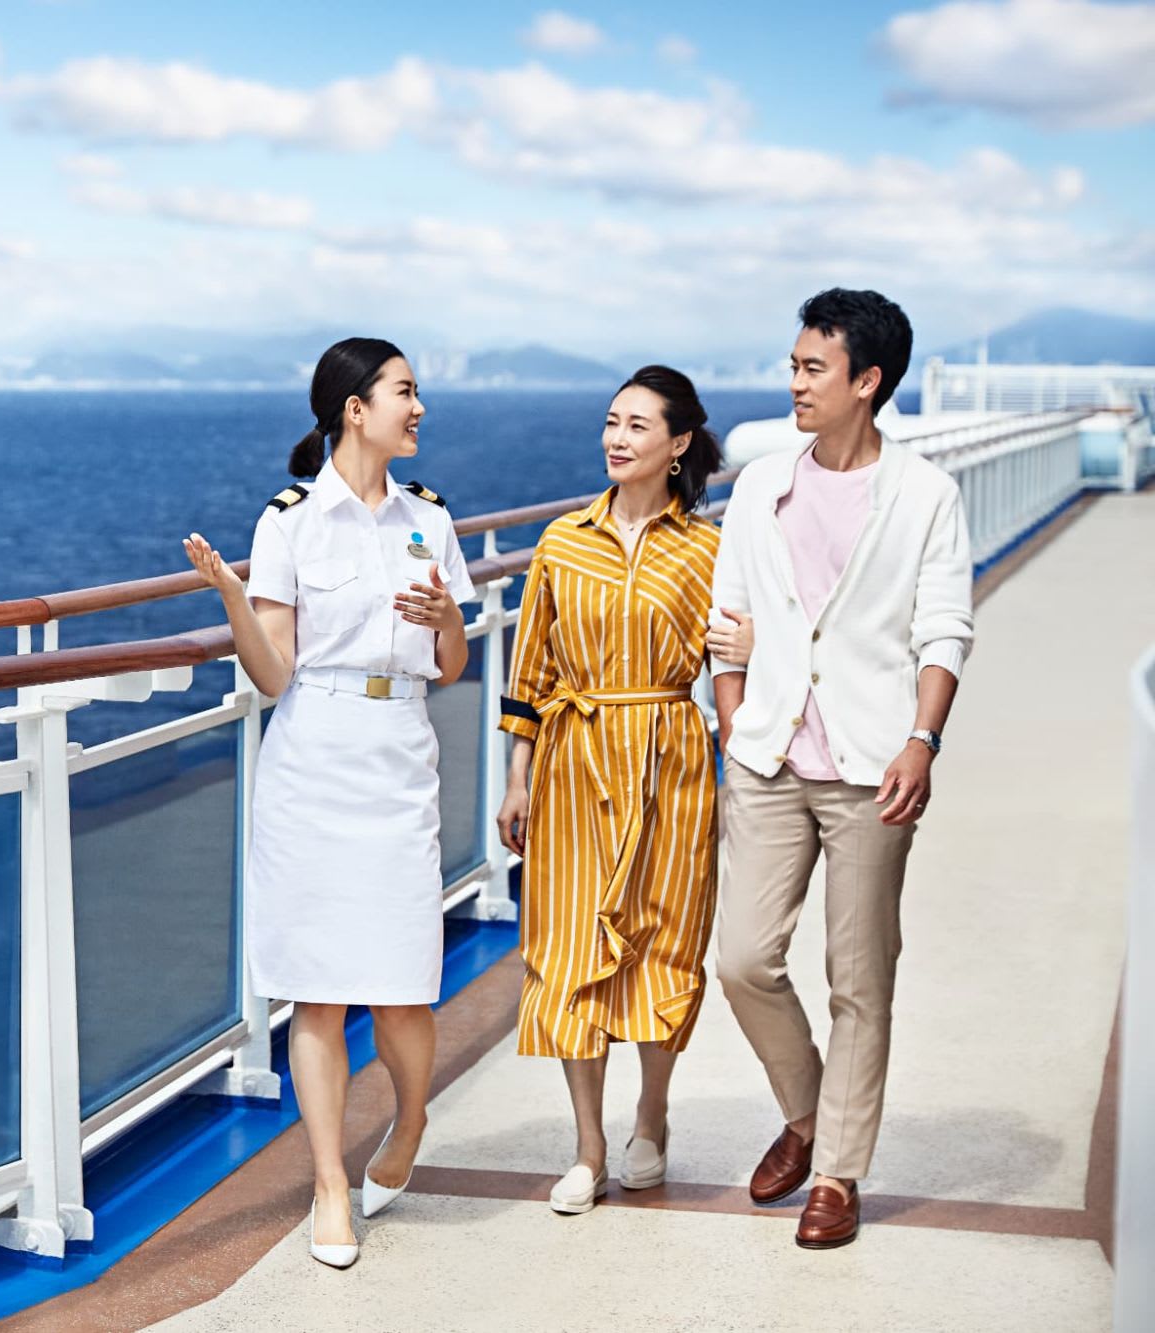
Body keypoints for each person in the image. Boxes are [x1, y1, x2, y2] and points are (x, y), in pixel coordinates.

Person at [183, 337, 475, 1269]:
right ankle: (328, 1184)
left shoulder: (430, 517)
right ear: (356, 408)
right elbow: (274, 674)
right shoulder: (291, 522)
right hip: (313, 755)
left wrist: (450, 622)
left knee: (403, 988)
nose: (417, 408)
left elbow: (451, 665)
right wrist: (234, 598)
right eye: (404, 392)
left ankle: (410, 1119)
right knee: (318, 989)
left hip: (399, 754)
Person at [711, 288, 973, 1249]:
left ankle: (837, 1172)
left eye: (812, 368)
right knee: (744, 959)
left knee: (860, 977)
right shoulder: (759, 485)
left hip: (873, 765)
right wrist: (734, 718)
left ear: (867, 381)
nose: (795, 383)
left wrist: (922, 739)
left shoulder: (925, 494)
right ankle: (811, 1112)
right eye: (793, 365)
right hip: (769, 756)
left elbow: (945, 629)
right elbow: (729, 615)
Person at [494, 366, 747, 1215]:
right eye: (611, 421)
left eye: (638, 425)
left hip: (672, 760)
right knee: (568, 947)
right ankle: (587, 1147)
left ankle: (652, 1113)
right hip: (573, 761)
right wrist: (517, 778)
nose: (617, 437)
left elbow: (735, 663)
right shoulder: (562, 542)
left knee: (665, 941)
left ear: (678, 444)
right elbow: (530, 670)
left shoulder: (709, 550)